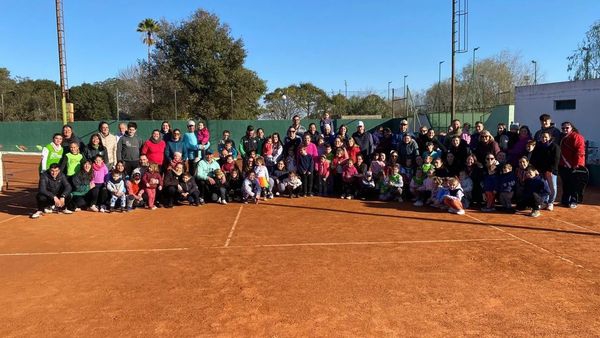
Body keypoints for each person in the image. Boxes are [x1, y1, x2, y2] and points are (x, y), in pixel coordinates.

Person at [558, 121, 586, 208]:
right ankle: (565, 200)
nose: (565, 129)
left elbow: (580, 151)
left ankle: (574, 201)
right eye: (563, 128)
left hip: (573, 165)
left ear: (571, 128)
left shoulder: (577, 136)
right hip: (563, 165)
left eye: (567, 128)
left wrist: (577, 164)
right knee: (565, 184)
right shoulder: (563, 137)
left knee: (574, 184)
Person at [530, 131, 561, 210]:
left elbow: (556, 160)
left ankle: (550, 202)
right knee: (543, 186)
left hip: (550, 171)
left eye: (546, 137)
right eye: (542, 137)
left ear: (550, 137)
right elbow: (533, 158)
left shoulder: (555, 147)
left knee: (552, 187)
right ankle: (544, 202)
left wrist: (550, 170)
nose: (544, 138)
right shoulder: (538, 146)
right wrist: (534, 169)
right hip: (540, 170)